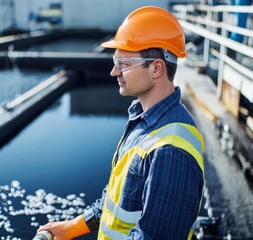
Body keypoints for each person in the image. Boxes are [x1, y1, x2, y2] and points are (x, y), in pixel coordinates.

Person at [37, 6, 205, 240]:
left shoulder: (171, 151)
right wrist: (73, 227)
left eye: (124, 63)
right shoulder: (144, 118)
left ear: (156, 68)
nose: (114, 72)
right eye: (115, 61)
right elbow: (120, 197)